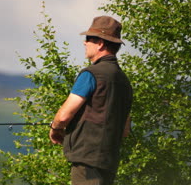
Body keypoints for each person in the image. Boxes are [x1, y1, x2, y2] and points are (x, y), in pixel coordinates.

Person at [49, 16, 133, 185]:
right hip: (109, 162)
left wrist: (55, 128)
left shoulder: (91, 74)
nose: (84, 43)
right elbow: (125, 131)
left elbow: (64, 115)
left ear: (100, 43)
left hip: (87, 161)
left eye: (88, 39)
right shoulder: (125, 82)